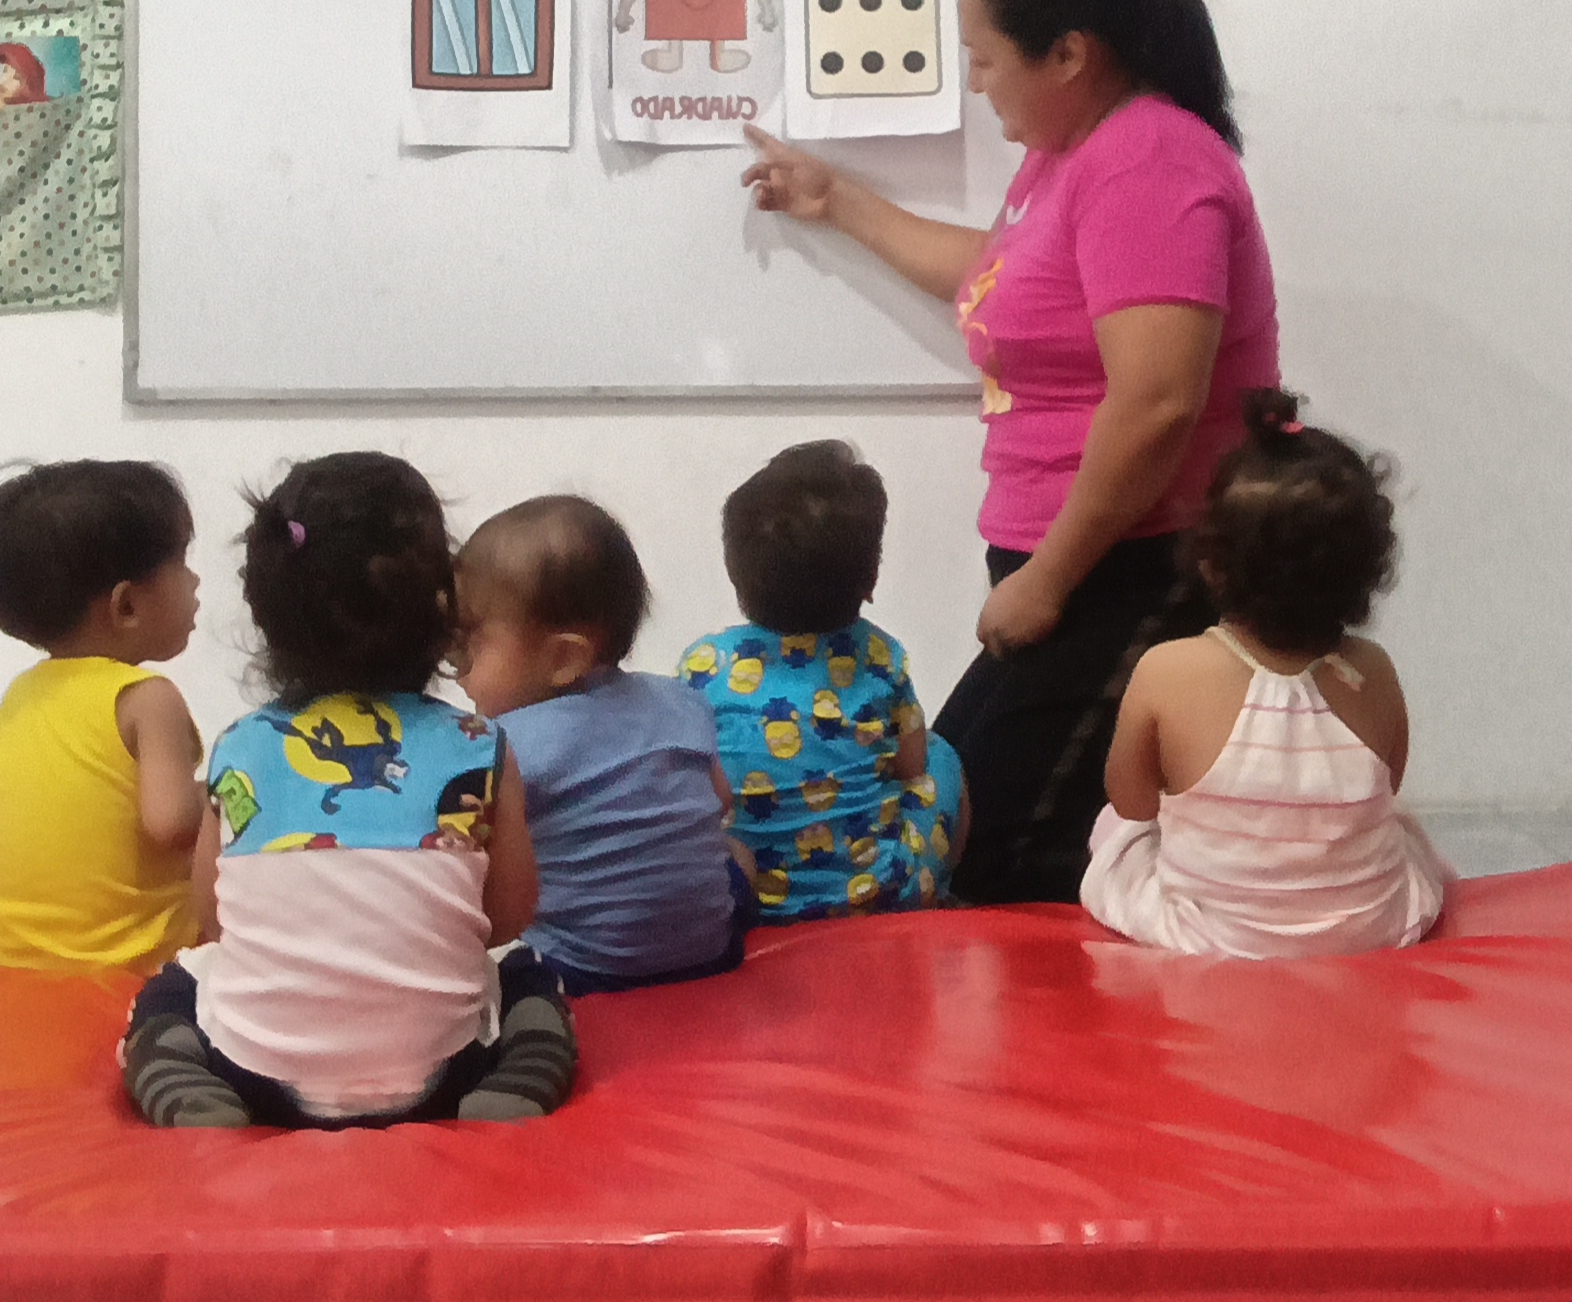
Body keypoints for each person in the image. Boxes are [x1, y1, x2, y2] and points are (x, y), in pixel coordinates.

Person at [742, 0, 1280, 905]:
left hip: (1141, 560)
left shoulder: (1150, 160)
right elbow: (1002, 277)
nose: (975, 82)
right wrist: (838, 201)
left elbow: (1159, 401)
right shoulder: (1075, 152)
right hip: (1074, 558)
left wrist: (1049, 580)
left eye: (985, 59)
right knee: (946, 806)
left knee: (998, 853)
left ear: (1068, 54)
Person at [120, 452, 577, 1130]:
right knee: (526, 968)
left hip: (259, 1073)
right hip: (439, 1075)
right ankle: (524, 1070)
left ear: (266, 619)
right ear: (444, 609)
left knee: (176, 982)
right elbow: (508, 916)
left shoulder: (240, 747)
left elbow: (211, 918)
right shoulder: (480, 743)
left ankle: (173, 1069)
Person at [1081, 391, 1450, 956]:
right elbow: (1391, 783)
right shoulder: (1371, 669)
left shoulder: (1166, 669)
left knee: (1115, 831)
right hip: (1368, 933)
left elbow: (1130, 801)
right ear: (1366, 570)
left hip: (1211, 937)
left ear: (1211, 564)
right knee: (1398, 826)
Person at [454, 494, 750, 993]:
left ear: (564, 659)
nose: (459, 674)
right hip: (713, 953)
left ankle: (533, 1016)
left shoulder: (502, 746)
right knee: (739, 855)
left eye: (468, 649)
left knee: (494, 924)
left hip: (580, 971)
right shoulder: (682, 699)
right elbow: (719, 800)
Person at [687, 442, 966, 921]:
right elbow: (912, 763)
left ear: (735, 577)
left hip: (746, 899)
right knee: (940, 755)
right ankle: (939, 891)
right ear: (870, 579)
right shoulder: (881, 657)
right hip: (877, 901)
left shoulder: (702, 664)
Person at [0, 460, 205, 973]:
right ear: (126, 606)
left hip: (8, 956)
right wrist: (229, 793)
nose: (196, 580)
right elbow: (172, 823)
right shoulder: (146, 698)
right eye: (182, 563)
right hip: (136, 960)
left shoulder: (22, 692)